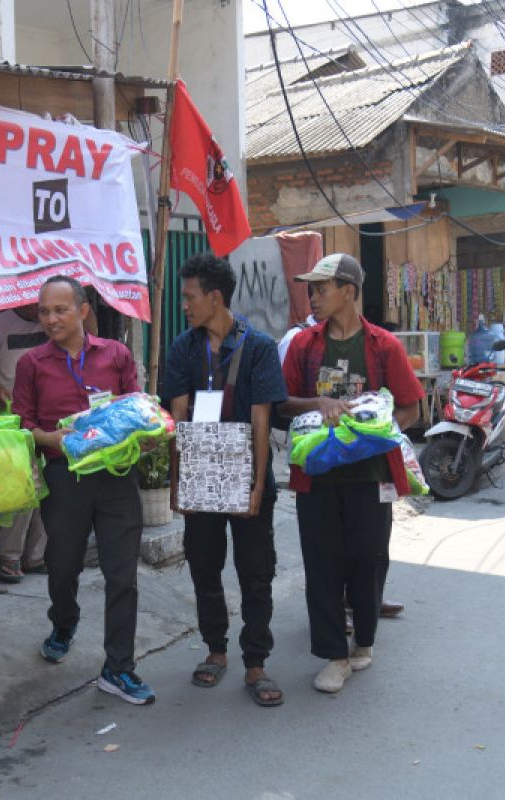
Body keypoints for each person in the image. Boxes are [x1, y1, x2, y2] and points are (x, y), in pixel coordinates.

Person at [278, 254, 423, 694]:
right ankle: (333, 656)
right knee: (322, 564)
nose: (314, 298)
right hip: (317, 476)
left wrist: (373, 427)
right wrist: (317, 405)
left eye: (322, 289)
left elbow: (412, 408)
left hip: (371, 474)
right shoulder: (304, 346)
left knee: (369, 558)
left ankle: (363, 641)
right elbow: (281, 401)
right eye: (311, 290)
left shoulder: (384, 346)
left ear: (348, 291)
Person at [13, 275, 155, 706]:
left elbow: (137, 408)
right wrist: (50, 440)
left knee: (122, 574)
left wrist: (147, 433)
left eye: (59, 310)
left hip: (116, 479)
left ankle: (119, 668)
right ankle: (64, 621)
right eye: (44, 312)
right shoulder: (32, 363)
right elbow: (22, 426)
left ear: (83, 311)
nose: (51, 319)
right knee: (62, 564)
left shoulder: (115, 354)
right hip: (65, 478)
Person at [163, 254, 288, 707]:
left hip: (246, 473)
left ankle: (256, 660)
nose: (185, 306)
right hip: (201, 474)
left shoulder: (258, 347)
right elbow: (178, 417)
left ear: (215, 298)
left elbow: (260, 422)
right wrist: (178, 484)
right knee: (204, 565)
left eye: (190, 297)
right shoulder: (183, 349)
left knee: (256, 571)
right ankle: (215, 650)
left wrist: (256, 487)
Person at [0, 305, 49, 582]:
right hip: (10, 420)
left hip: (48, 417)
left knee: (45, 488)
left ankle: (35, 556)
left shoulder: (51, 320)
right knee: (23, 487)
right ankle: (10, 557)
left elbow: (90, 334)